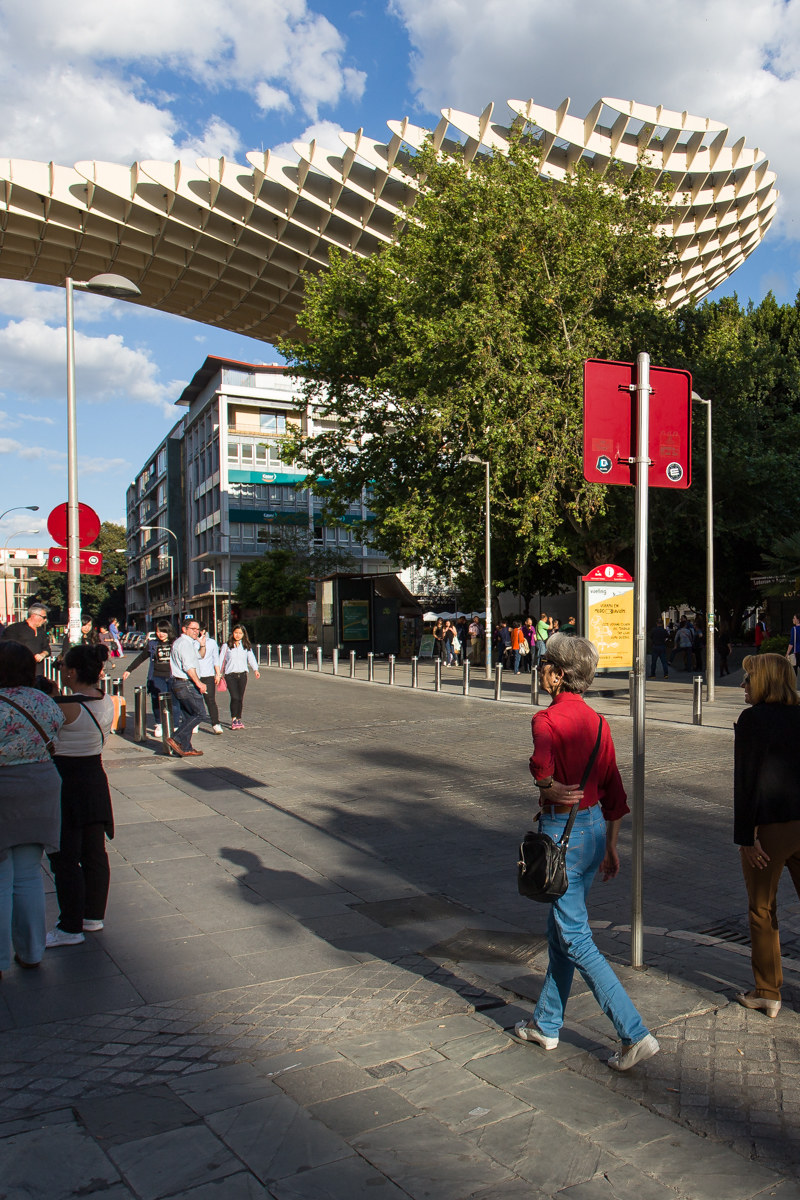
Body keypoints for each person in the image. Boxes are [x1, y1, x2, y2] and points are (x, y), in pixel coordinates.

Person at [515, 633, 659, 1070]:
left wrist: (544, 785)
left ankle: (633, 1032)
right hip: (594, 830)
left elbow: (543, 769)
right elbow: (615, 790)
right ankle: (547, 1023)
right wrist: (612, 845)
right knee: (561, 931)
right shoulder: (598, 722)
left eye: (544, 665)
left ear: (558, 675)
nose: (540, 670)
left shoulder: (546, 721)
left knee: (575, 936)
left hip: (563, 834)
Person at [733, 653, 800, 1018]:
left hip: (769, 829)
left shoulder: (753, 720)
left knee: (762, 908)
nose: (742, 685)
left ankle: (767, 990)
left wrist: (746, 837)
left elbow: (745, 784)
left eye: (747, 679)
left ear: (763, 682)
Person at [0, 642, 64, 975]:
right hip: (41, 784)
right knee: (28, 874)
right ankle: (32, 951)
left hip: (4, 786)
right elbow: (56, 730)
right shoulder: (43, 700)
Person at [45, 644, 115, 948]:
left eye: (63, 667)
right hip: (95, 778)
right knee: (94, 852)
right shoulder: (109, 700)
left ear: (71, 672)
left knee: (65, 857)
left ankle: (70, 926)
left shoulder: (62, 705)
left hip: (66, 781)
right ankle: (93, 916)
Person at [122, 620, 178, 738]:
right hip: (157, 677)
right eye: (158, 631)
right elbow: (141, 657)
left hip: (173, 676)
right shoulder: (152, 644)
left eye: (163, 631)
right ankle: (159, 723)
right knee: (157, 700)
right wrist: (129, 669)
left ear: (169, 631)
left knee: (174, 701)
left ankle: (175, 724)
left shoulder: (176, 643)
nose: (161, 634)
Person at [167, 617, 207, 757]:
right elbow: (189, 667)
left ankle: (185, 747)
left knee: (189, 715)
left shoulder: (187, 643)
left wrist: (202, 644)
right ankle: (176, 738)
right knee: (200, 713)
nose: (196, 632)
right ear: (184, 629)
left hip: (180, 683)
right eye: (193, 629)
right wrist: (199, 683)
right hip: (186, 683)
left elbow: (200, 656)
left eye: (198, 629)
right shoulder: (184, 644)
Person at [220, 624, 260, 729]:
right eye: (236, 633)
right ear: (232, 633)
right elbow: (220, 660)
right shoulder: (227, 645)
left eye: (240, 633)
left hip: (242, 675)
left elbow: (251, 658)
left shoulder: (246, 646)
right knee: (235, 697)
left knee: (240, 698)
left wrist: (255, 669)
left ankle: (238, 719)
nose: (238, 635)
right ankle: (233, 719)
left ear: (243, 634)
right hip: (230, 675)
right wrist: (218, 674)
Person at [197, 623, 224, 734]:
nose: (198, 633)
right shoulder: (190, 642)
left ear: (204, 631)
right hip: (194, 676)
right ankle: (195, 723)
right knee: (196, 701)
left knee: (210, 700)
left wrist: (218, 674)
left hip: (208, 675)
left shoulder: (212, 643)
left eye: (200, 630)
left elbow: (215, 659)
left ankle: (215, 723)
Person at [786, 614, 800, 678]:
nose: (793, 619)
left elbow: (791, 643)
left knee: (794, 668)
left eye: (794, 618)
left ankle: (793, 685)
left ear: (798, 620)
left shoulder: (794, 629)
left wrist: (787, 653)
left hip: (797, 651)